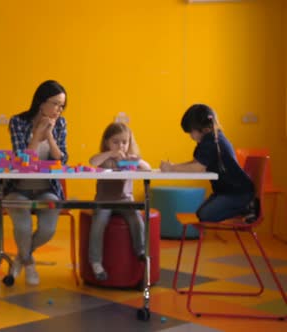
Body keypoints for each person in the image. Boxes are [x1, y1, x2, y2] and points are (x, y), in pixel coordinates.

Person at [4, 80, 68, 286]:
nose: (59, 109)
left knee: (48, 229)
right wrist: (37, 134)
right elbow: (22, 161)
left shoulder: (61, 124)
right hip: (18, 189)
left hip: (46, 189)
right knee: (23, 226)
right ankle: (29, 262)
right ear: (42, 102)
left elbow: (62, 160)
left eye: (62, 106)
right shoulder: (18, 122)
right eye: (56, 104)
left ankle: (20, 258)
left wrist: (49, 136)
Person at [160, 104, 257, 222]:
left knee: (205, 215)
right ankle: (244, 207)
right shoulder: (213, 138)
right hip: (227, 191)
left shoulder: (212, 141)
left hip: (238, 193)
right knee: (201, 213)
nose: (191, 136)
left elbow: (199, 168)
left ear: (204, 129)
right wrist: (174, 166)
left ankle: (247, 207)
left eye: (191, 132)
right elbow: (196, 162)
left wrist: (172, 169)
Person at [88, 122, 151, 280]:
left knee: (136, 220)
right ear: (107, 142)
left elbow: (147, 169)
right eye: (115, 142)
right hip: (104, 201)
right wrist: (110, 153)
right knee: (98, 223)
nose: (120, 146)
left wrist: (136, 161)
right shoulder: (105, 159)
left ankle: (141, 251)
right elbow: (93, 162)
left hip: (125, 200)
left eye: (124, 142)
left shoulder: (130, 160)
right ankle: (96, 262)